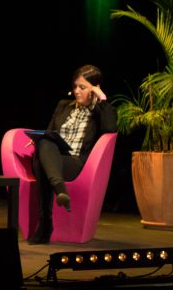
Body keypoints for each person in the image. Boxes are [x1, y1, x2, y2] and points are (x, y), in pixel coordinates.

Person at [24, 65, 116, 245]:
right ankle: (60, 191)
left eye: (82, 87)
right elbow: (50, 132)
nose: (76, 91)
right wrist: (38, 141)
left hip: (75, 162)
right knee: (44, 145)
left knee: (41, 162)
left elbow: (110, 129)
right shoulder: (63, 106)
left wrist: (102, 98)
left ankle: (45, 224)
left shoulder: (101, 112)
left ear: (95, 88)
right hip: (55, 157)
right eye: (75, 87)